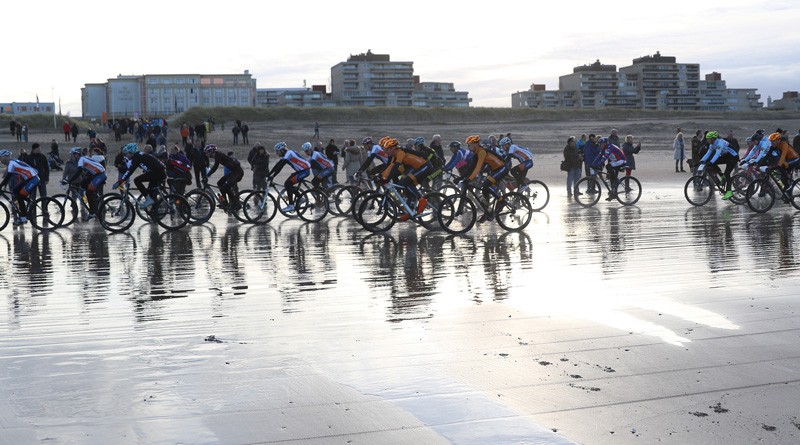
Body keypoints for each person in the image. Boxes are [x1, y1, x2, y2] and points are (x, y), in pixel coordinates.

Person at [380, 137, 432, 218]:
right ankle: (410, 211)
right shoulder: (394, 156)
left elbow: (395, 167)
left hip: (424, 166)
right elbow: (389, 168)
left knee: (405, 182)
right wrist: (381, 176)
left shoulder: (400, 153)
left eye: (387, 149)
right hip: (416, 168)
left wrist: (387, 179)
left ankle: (422, 200)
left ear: (393, 148)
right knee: (403, 185)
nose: (385, 152)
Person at [464, 134, 510, 216]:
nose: (468, 147)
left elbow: (477, 168)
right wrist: (461, 177)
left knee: (486, 185)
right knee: (484, 187)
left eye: (469, 145)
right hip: (495, 170)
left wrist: (469, 179)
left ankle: (501, 201)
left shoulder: (482, 152)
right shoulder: (476, 153)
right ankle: (487, 211)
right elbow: (471, 168)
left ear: (475, 144)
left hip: (502, 168)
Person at [115, 143, 167, 209]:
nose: (126, 156)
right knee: (151, 194)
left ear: (131, 152)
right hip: (158, 172)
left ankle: (149, 200)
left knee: (137, 180)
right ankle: (155, 212)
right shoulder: (138, 155)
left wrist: (120, 181)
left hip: (158, 173)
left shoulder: (137, 157)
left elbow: (130, 171)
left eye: (126, 154)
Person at [266, 142, 312, 213]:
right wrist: (269, 174)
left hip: (305, 171)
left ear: (282, 150)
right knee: (287, 184)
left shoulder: (289, 153)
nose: (277, 153)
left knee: (288, 184)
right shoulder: (286, 155)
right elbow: (278, 165)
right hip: (301, 171)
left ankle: (291, 205)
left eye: (277, 151)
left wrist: (273, 176)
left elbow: (280, 167)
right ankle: (301, 198)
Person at [65, 147, 106, 220]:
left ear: (76, 155)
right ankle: (94, 202)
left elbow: (78, 172)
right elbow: (86, 172)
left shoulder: (81, 159)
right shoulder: (84, 158)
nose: (72, 157)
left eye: (72, 155)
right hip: (96, 174)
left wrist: (69, 181)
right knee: (83, 183)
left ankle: (92, 213)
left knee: (89, 192)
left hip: (100, 174)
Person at [0, 149, 39, 225]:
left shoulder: (12, 163)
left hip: (32, 179)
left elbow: (8, 176)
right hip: (28, 179)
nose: (0, 160)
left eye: (0, 158)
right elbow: (7, 177)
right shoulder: (12, 163)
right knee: (15, 191)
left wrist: (1, 185)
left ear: (6, 157)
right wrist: (3, 185)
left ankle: (23, 218)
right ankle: (27, 205)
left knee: (19, 196)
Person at [698, 131, 739, 200]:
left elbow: (717, 154)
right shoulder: (712, 144)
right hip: (727, 156)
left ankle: (729, 191)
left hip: (733, 157)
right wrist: (701, 161)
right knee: (712, 163)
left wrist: (711, 162)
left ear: (713, 139)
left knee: (727, 174)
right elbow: (708, 154)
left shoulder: (720, 142)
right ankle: (722, 176)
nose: (707, 140)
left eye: (708, 139)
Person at [205, 144, 244, 210]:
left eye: (207, 152)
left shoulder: (218, 155)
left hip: (237, 172)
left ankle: (236, 203)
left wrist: (207, 176)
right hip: (233, 172)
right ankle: (224, 202)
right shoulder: (217, 155)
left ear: (211, 151)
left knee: (226, 187)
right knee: (220, 183)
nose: (206, 154)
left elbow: (215, 167)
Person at [62, 147, 89, 220]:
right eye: (71, 155)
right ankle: (74, 211)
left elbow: (84, 172)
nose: (72, 156)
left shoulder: (80, 162)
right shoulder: (68, 163)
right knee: (73, 197)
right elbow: (65, 173)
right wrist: (63, 180)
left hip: (80, 182)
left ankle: (83, 211)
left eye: (73, 155)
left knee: (82, 197)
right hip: (72, 183)